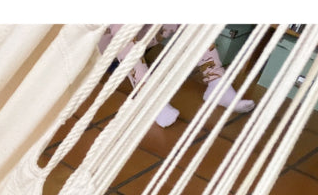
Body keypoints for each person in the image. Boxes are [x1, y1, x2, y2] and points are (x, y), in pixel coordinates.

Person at [101, 25, 255, 128]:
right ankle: (148, 98)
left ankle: (217, 83)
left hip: (138, 36)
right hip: (103, 45)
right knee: (122, 26)